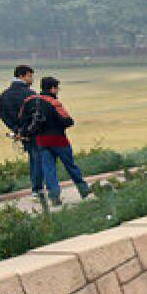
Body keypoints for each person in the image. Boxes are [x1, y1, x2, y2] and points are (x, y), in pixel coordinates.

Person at [16, 76, 91, 207]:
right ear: (52, 88)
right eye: (57, 88)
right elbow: (68, 121)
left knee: (49, 168)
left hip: (41, 141)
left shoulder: (29, 101)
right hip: (59, 140)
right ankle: (84, 190)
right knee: (70, 165)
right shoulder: (54, 102)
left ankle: (54, 196)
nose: (57, 91)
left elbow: (21, 118)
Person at [0, 65, 45, 208]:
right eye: (30, 76)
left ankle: (36, 188)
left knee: (33, 158)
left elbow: (3, 115)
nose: (32, 79)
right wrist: (28, 130)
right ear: (23, 76)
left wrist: (16, 130)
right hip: (33, 132)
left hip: (20, 133)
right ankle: (37, 189)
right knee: (38, 159)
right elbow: (37, 115)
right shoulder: (30, 94)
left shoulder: (5, 94)